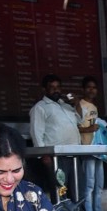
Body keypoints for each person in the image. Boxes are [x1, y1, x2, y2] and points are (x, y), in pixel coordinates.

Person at [29, 73, 82, 201]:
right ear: (44, 90)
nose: (56, 90)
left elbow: (79, 120)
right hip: (57, 157)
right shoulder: (40, 108)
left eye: (58, 87)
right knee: (60, 191)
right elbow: (36, 133)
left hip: (74, 155)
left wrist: (77, 104)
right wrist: (44, 156)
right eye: (52, 87)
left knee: (77, 190)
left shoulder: (65, 105)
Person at [77, 76, 105, 211]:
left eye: (94, 87)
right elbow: (75, 128)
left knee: (98, 184)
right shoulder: (80, 105)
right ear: (83, 89)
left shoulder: (94, 107)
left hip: (98, 150)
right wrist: (89, 130)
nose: (91, 90)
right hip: (87, 149)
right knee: (89, 184)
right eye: (89, 87)